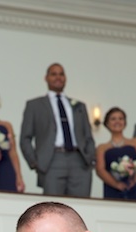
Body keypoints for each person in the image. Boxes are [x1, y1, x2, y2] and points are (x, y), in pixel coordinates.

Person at [20, 63, 95, 197]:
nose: (58, 77)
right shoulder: (34, 105)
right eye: (53, 74)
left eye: (61, 74)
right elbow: (25, 138)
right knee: (54, 208)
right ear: (46, 78)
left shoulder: (79, 106)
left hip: (79, 160)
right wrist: (36, 162)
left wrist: (89, 157)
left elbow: (88, 135)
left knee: (81, 208)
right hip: (52, 160)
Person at [96, 107, 136, 201]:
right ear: (107, 123)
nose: (117, 121)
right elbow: (100, 169)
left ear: (125, 122)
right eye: (113, 119)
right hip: (113, 188)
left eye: (120, 118)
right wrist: (116, 184)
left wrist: (135, 180)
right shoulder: (102, 148)